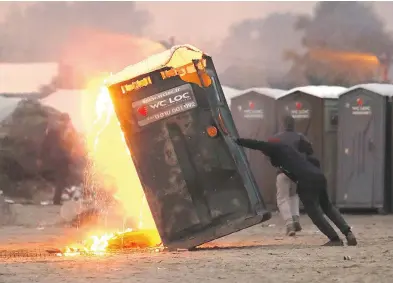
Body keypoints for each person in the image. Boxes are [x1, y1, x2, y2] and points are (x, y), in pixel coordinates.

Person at [234, 137, 357, 246]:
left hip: (306, 180)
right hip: (318, 176)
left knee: (314, 213)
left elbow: (256, 144)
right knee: (327, 207)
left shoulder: (275, 147)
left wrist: (237, 141)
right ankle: (348, 233)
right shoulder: (289, 151)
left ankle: (334, 239)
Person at [273, 115, 313, 236]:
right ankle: (296, 219)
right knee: (294, 195)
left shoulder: (277, 138)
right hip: (297, 172)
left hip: (282, 171)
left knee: (282, 198)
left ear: (283, 124)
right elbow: (310, 151)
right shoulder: (300, 137)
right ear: (293, 125)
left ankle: (289, 224)